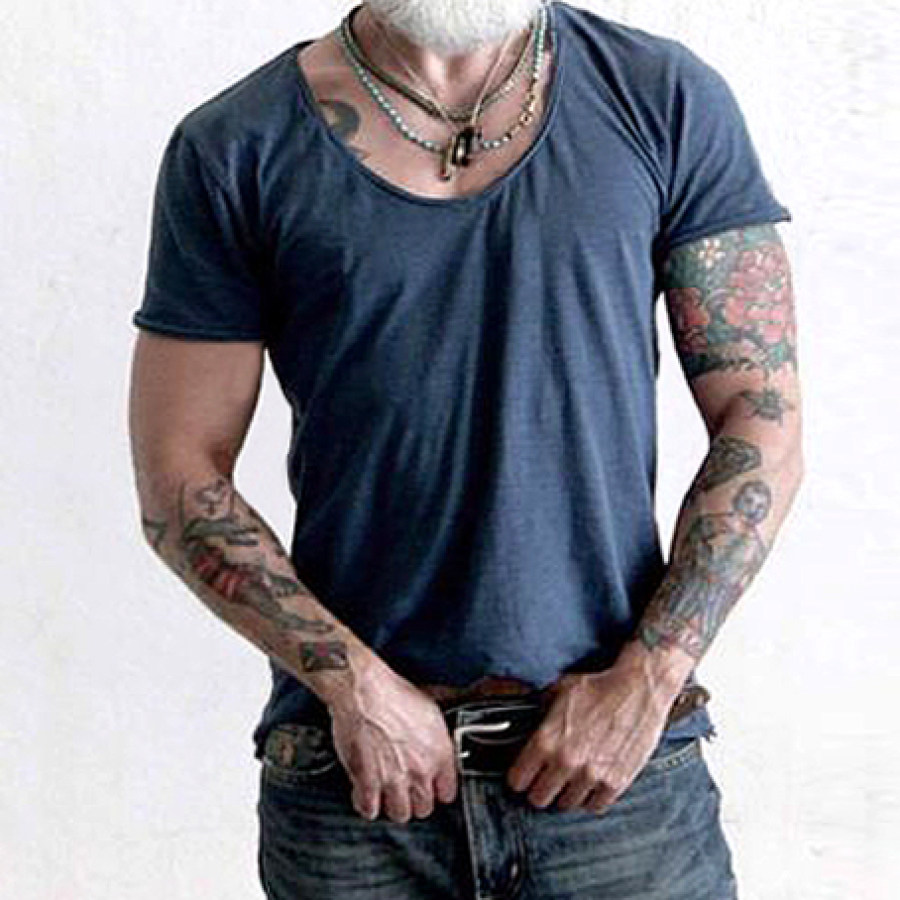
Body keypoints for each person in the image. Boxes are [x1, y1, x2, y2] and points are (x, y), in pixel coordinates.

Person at [127, 0, 803, 896]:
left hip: (616, 774)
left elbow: (761, 417)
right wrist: (355, 688)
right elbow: (179, 473)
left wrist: (650, 678)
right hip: (357, 778)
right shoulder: (234, 145)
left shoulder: (663, 98)